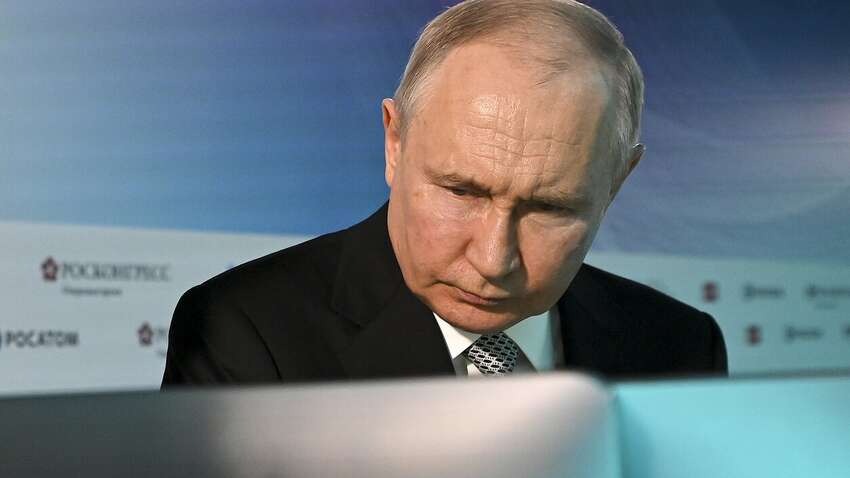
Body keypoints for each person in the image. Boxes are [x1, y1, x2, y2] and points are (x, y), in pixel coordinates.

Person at [162, 0, 726, 386]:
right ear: (395, 142)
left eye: (549, 207)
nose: (493, 260)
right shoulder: (243, 332)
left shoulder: (682, 347)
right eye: (462, 191)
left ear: (617, 182)